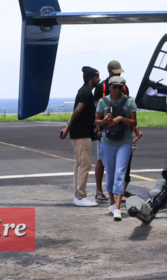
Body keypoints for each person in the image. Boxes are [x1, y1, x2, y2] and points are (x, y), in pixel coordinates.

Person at [95, 75, 138, 221]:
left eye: (120, 87)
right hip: (108, 142)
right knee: (111, 174)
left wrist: (121, 118)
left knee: (120, 173)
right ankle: (112, 202)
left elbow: (134, 122)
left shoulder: (129, 101)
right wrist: (104, 121)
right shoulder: (103, 102)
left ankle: (118, 208)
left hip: (125, 142)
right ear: (110, 87)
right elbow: (97, 122)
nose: (117, 90)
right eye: (114, 87)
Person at [59, 66, 100, 207]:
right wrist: (68, 126)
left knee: (79, 164)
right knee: (84, 164)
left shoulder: (84, 91)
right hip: (82, 133)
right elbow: (77, 111)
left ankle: (78, 195)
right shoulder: (86, 93)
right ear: (91, 78)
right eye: (96, 77)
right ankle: (81, 196)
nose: (98, 80)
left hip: (80, 132)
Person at [94, 59, 130, 201]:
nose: (117, 90)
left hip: (122, 131)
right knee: (101, 160)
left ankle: (118, 192)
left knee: (121, 165)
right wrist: (99, 128)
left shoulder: (124, 87)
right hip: (105, 130)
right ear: (109, 72)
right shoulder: (100, 87)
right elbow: (97, 110)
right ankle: (99, 190)